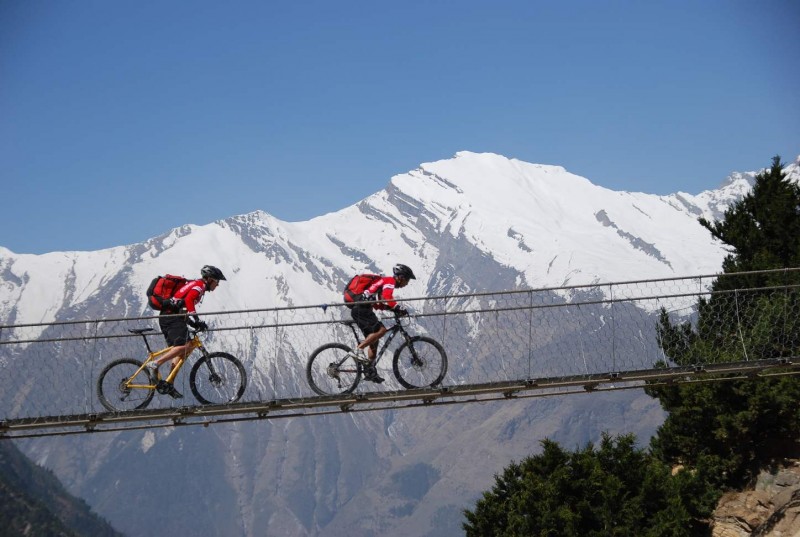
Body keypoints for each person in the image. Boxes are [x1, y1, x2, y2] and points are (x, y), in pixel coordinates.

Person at [148, 265, 226, 398]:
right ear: (210, 279)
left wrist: (193, 323)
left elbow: (182, 306)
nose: (217, 285)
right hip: (170, 317)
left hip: (171, 317)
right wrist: (196, 319)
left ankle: (169, 383)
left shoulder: (196, 285)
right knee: (184, 346)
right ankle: (155, 364)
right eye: (217, 281)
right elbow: (189, 301)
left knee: (181, 350)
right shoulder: (199, 286)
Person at [349, 264, 416, 383]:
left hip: (363, 309)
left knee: (374, 340)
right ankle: (358, 350)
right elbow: (387, 296)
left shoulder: (382, 283)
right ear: (401, 277)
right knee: (382, 331)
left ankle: (370, 371)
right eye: (407, 280)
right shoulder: (389, 281)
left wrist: (392, 309)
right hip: (361, 309)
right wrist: (397, 307)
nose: (407, 284)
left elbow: (378, 303)